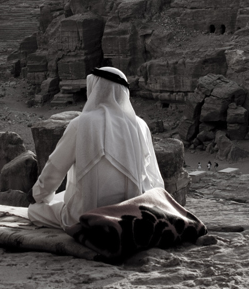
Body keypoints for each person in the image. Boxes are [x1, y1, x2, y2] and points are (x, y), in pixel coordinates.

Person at [28, 66, 164, 231]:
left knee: (35, 210)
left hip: (88, 215)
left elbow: (55, 167)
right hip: (132, 211)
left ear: (95, 89)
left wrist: (39, 195)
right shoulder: (140, 125)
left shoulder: (80, 124)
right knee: (61, 197)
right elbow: (153, 174)